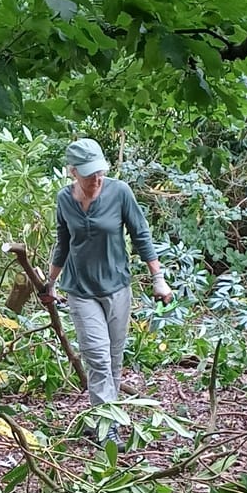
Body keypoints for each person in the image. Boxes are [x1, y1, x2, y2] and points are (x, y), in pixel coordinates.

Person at [41, 138, 173, 433]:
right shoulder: (64, 200)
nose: (96, 179)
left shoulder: (119, 192)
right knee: (98, 358)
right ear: (72, 172)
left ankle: (101, 417)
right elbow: (63, 244)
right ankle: (106, 427)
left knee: (113, 359)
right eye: (89, 174)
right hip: (80, 290)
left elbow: (141, 235)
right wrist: (50, 282)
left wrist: (158, 279)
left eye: (100, 171)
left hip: (117, 288)